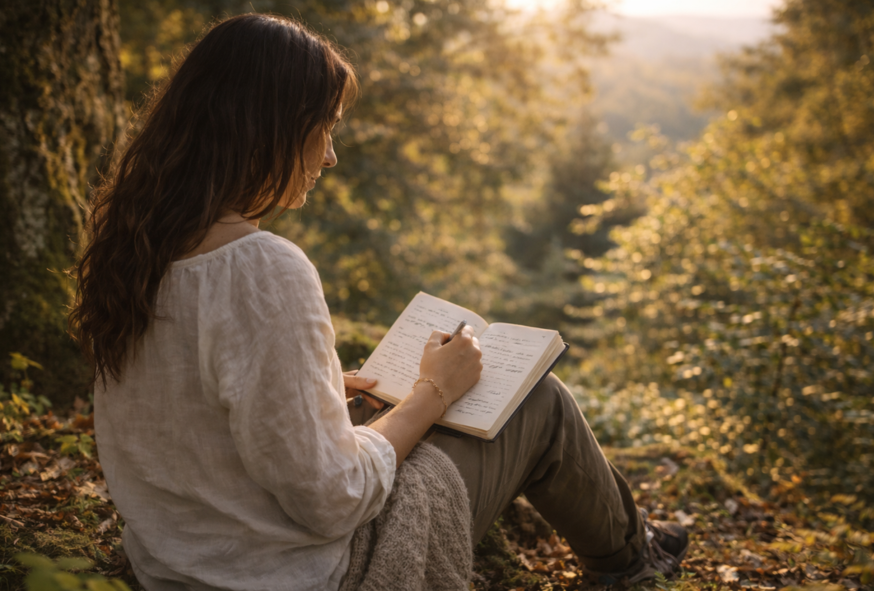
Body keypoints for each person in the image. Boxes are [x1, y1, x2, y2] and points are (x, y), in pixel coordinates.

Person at [70, 13, 688, 591]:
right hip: (312, 573)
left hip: (177, 566)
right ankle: (633, 563)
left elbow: (187, 408)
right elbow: (332, 499)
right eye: (324, 127)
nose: (330, 154)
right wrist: (432, 392)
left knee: (400, 409)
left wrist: (312, 390)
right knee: (538, 399)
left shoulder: (133, 249)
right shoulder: (263, 268)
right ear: (265, 128)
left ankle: (637, 542)